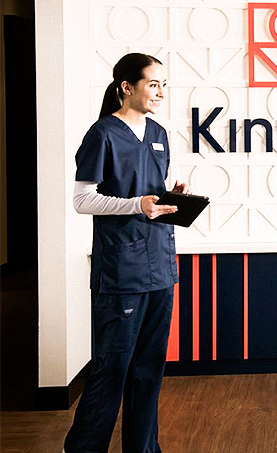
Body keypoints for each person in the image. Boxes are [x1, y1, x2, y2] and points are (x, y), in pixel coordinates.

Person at [64, 53, 189, 453]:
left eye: (163, 85)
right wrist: (137, 204)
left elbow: (151, 191)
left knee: (149, 370)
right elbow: (83, 200)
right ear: (127, 87)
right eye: (153, 84)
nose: (160, 92)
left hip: (160, 267)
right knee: (112, 369)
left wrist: (173, 198)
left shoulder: (159, 134)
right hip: (121, 270)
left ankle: (144, 449)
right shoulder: (102, 134)